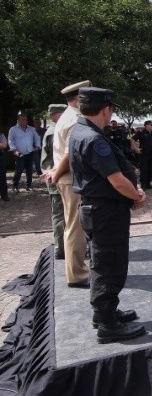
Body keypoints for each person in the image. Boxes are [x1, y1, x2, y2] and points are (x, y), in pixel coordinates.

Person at [69, 87, 146, 343]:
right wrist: (135, 196)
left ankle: (105, 311)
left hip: (99, 209)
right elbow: (116, 180)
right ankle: (107, 323)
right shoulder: (94, 139)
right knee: (109, 264)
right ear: (106, 110)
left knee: (105, 261)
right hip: (106, 211)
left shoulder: (80, 131)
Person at [44, 80, 92, 288]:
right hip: (71, 178)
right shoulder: (74, 119)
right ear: (78, 99)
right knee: (75, 227)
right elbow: (69, 155)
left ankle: (77, 270)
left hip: (68, 178)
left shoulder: (67, 116)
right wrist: (56, 173)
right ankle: (77, 273)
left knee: (72, 224)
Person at [41, 104, 67, 259]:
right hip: (57, 178)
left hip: (55, 176)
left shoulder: (54, 131)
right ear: (57, 115)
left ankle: (62, 248)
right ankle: (61, 249)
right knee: (60, 214)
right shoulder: (54, 132)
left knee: (60, 214)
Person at [8, 112, 41, 192]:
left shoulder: (31, 129)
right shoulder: (13, 129)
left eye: (26, 120)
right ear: (18, 120)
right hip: (19, 153)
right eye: (22, 120)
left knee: (29, 170)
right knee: (19, 170)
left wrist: (37, 146)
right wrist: (14, 150)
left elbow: (37, 138)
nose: (25, 121)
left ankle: (29, 185)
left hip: (30, 152)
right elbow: (10, 141)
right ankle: (15, 186)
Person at [131, 120, 152, 189]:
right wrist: (136, 148)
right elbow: (132, 139)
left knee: (151, 169)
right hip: (144, 154)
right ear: (146, 126)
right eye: (151, 125)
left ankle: (148, 183)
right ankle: (143, 184)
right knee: (144, 169)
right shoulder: (141, 133)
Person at [0, 132, 7, 201]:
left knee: (2, 177)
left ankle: (4, 195)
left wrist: (1, 145)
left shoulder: (1, 134)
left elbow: (4, 145)